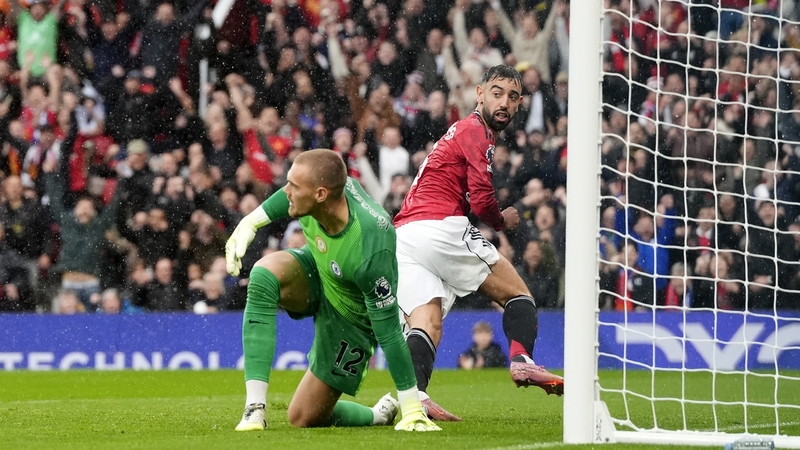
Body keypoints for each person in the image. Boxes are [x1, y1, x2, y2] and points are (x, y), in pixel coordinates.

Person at [393, 65, 564, 422]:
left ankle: (416, 399)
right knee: (518, 296)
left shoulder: (461, 131)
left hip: (405, 236)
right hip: (438, 227)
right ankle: (522, 361)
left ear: (519, 104)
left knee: (427, 321)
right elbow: (483, 202)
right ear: (479, 93)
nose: (504, 102)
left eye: (513, 96)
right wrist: (504, 220)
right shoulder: (475, 130)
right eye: (497, 92)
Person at [225, 149, 439, 432]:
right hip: (318, 271)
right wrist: (251, 221)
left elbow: (388, 330)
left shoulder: (370, 246)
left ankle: (376, 415)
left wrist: (411, 408)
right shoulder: (323, 191)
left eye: (294, 187)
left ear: (321, 195)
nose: (286, 192)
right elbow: (286, 196)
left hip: (352, 317)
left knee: (303, 417)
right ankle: (254, 409)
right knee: (263, 274)